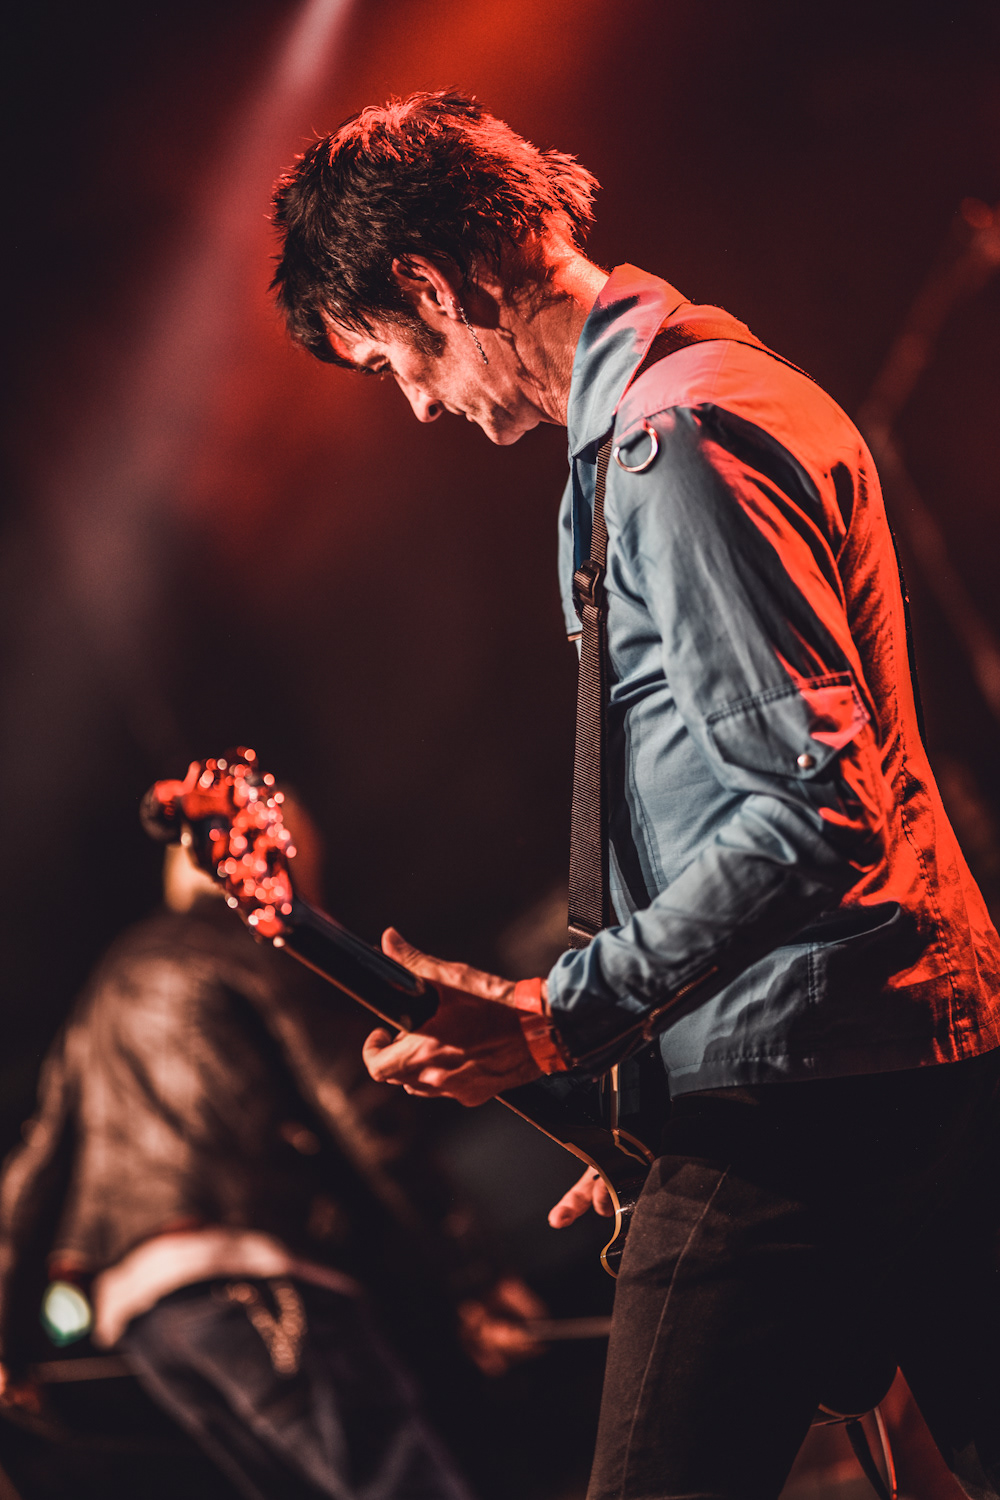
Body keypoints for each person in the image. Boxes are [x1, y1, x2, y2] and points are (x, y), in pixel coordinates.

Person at [269, 92, 1000, 1498]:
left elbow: (808, 809)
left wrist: (562, 1018)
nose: (418, 402)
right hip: (890, 1056)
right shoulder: (716, 392)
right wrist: (653, 1078)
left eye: (391, 362)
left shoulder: (683, 445)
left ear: (432, 285)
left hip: (799, 1096)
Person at [0, 819, 539, 1500]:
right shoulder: (252, 942)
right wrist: (476, 1274)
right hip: (249, 1273)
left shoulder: (104, 987)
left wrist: (8, 1344)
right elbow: (361, 1110)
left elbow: (30, 1175)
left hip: (143, 1318)